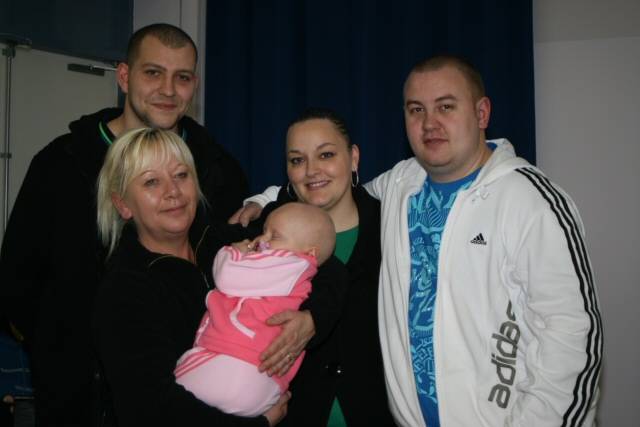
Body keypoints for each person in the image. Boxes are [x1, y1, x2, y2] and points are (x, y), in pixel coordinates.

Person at [234, 56, 603, 426]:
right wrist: (263, 201)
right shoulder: (399, 187)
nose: (429, 123)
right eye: (416, 110)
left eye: (446, 106)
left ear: (481, 113)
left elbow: (573, 340)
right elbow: (323, 188)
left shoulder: (531, 203)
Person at [0, 23, 248, 426]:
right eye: (153, 73)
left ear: (194, 85)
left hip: (190, 400)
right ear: (124, 76)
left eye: (181, 77)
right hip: (74, 400)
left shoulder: (219, 172)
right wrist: (62, 350)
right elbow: (16, 283)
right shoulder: (61, 165)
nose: (168, 90)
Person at [93, 127, 291, 426]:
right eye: (151, 182)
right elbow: (153, 410)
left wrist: (312, 320)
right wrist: (259, 424)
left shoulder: (225, 243)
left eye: (181, 175)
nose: (173, 191)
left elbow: (317, 258)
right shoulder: (125, 289)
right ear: (122, 204)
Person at [230, 108, 395, 426]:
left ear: (354, 158)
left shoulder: (394, 228)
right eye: (297, 160)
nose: (311, 171)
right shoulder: (262, 234)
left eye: (326, 154)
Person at [175, 203, 336, 417]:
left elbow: (227, 277)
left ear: (309, 252)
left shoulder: (290, 263)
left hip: (234, 360)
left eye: (274, 236)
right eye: (264, 232)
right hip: (265, 381)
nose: (262, 240)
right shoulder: (297, 275)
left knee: (172, 394)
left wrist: (231, 252)